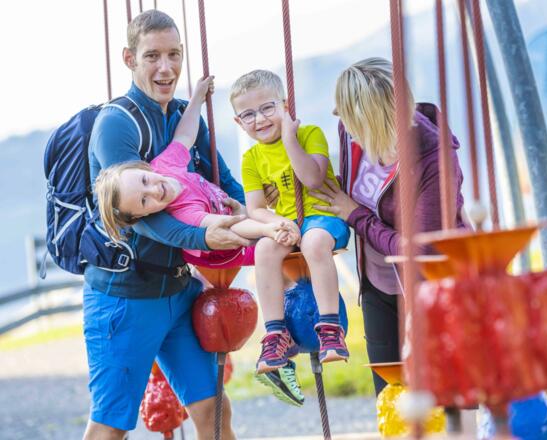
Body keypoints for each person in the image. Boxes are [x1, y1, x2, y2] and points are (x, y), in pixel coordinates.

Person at [84, 10, 248, 439]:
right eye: (152, 56)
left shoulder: (183, 116)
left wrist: (258, 220)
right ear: (129, 59)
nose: (166, 68)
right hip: (125, 297)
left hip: (178, 288)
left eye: (174, 54)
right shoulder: (115, 125)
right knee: (111, 424)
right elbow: (143, 219)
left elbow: (223, 181)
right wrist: (203, 236)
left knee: (214, 409)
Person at [309, 57, 466, 396]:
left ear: (370, 117)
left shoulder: (434, 158)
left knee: (442, 395)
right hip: (378, 283)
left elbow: (421, 249)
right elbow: (356, 190)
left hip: (432, 287)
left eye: (346, 114)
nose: (338, 118)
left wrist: (355, 215)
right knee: (390, 394)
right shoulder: (350, 133)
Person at [94, 76, 293, 269]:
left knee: (285, 231)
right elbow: (229, 226)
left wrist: (197, 98)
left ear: (145, 168)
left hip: (236, 218)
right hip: (224, 248)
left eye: (145, 180)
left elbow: (185, 135)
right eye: (144, 200)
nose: (154, 190)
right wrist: (267, 229)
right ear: (143, 215)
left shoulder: (164, 165)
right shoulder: (183, 212)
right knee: (279, 247)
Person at [230, 69, 351, 373]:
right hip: (289, 223)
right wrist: (277, 224)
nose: (259, 119)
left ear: (285, 106)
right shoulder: (251, 159)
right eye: (248, 114)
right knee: (264, 249)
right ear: (239, 122)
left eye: (267, 108)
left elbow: (312, 179)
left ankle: (330, 327)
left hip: (324, 217)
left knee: (313, 242)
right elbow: (256, 208)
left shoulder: (308, 135)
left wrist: (288, 139)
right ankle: (275, 333)